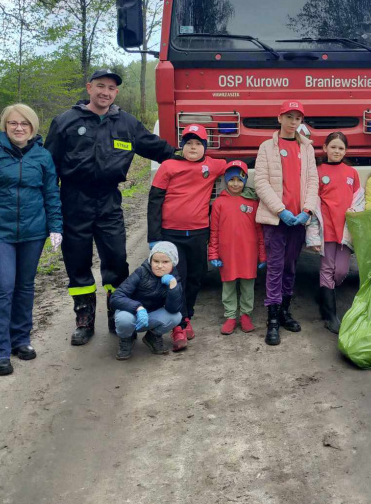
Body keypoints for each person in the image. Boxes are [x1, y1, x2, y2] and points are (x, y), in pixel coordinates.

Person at [44, 69, 177, 346]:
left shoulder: (126, 123)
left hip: (108, 200)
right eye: (100, 86)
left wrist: (188, 154)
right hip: (73, 200)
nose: (105, 92)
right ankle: (84, 318)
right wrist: (50, 208)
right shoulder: (65, 122)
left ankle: (117, 314)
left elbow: (156, 148)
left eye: (111, 88)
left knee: (116, 261)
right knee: (77, 262)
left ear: (116, 93)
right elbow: (48, 167)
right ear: (89, 87)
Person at [0, 104, 63, 376]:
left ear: (33, 127)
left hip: (33, 233)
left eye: (24, 123)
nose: (19, 128)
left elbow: (51, 194)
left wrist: (55, 226)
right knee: (2, 287)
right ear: (4, 126)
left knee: (25, 287)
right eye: (13, 123)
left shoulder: (43, 157)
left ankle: (21, 340)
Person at [148, 124, 227, 350]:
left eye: (198, 144)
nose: (193, 147)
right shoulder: (169, 166)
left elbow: (236, 166)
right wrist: (154, 237)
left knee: (196, 277)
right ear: (182, 146)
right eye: (189, 143)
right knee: (176, 279)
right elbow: (154, 200)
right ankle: (178, 325)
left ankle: (187, 315)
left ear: (205, 147)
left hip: (198, 233)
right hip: (171, 234)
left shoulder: (212, 165)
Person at [255, 99, 319, 346]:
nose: (293, 122)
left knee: (291, 266)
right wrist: (281, 211)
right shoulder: (266, 147)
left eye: (298, 118)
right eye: (289, 117)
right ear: (279, 118)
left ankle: (285, 312)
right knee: (275, 268)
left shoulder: (307, 149)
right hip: (276, 219)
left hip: (299, 220)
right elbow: (261, 182)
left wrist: (307, 210)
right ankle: (271, 319)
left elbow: (313, 181)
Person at [310, 132, 361, 334]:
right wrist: (313, 232)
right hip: (327, 229)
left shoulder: (352, 173)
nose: (337, 151)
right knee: (326, 269)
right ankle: (331, 316)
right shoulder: (318, 171)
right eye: (333, 147)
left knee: (340, 272)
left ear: (345, 151)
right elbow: (313, 204)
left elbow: (358, 199)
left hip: (345, 230)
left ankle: (324, 292)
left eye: (341, 148)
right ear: (325, 148)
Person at [208, 160, 265, 335]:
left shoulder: (253, 202)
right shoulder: (219, 203)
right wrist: (213, 254)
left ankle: (246, 315)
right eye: (231, 179)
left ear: (245, 181)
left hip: (248, 252)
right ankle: (231, 316)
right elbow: (214, 231)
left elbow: (259, 230)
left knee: (248, 284)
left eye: (239, 180)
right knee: (229, 284)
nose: (235, 184)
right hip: (227, 254)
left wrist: (262, 255)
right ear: (225, 180)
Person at [108, 242, 183, 360]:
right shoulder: (141, 272)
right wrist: (138, 308)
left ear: (173, 263)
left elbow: (173, 309)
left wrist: (173, 287)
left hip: (150, 316)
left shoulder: (174, 279)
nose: (159, 265)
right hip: (132, 313)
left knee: (176, 316)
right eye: (156, 261)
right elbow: (116, 297)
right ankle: (126, 339)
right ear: (150, 261)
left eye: (165, 262)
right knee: (124, 319)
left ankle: (152, 337)